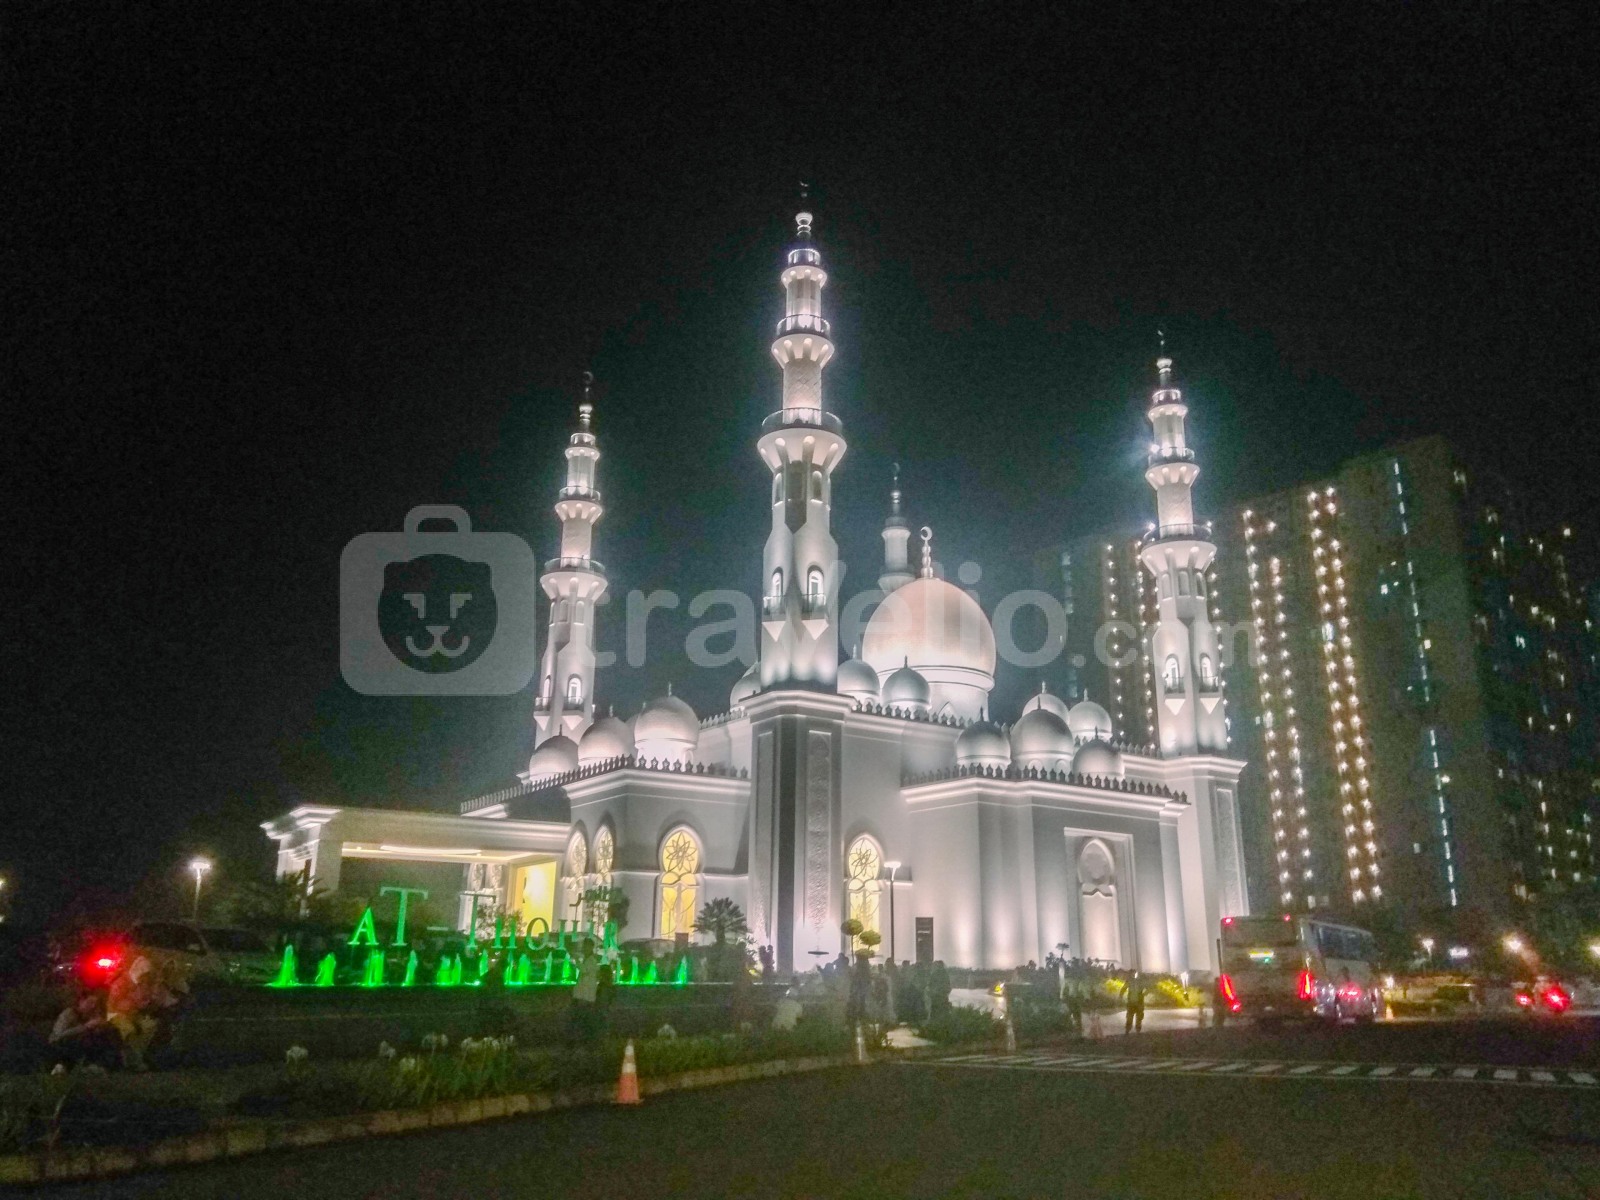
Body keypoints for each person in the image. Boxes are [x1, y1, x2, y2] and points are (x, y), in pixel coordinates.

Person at [106, 955, 176, 1070]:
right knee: (130, 1030)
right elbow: (116, 1004)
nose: (146, 978)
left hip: (134, 1015)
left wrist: (147, 1004)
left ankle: (135, 1057)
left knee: (150, 1026)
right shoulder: (122, 983)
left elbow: (149, 1003)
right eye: (144, 975)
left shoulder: (145, 986)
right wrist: (135, 1005)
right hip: (116, 1014)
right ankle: (132, 1061)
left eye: (148, 975)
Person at [49, 990, 120, 1071]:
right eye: (90, 1002)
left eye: (95, 1004)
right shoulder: (68, 1014)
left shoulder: (90, 1015)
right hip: (61, 1045)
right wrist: (85, 1027)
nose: (93, 1006)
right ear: (81, 1001)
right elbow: (59, 1035)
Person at [569, 940, 600, 1042]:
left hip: (586, 997)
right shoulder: (588, 960)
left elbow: (584, 970)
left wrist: (576, 960)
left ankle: (584, 1040)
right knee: (582, 1020)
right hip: (583, 996)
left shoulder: (591, 961)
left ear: (590, 947)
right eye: (584, 946)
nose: (583, 949)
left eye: (585, 946)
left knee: (583, 1020)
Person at [845, 952, 872, 1032]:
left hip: (860, 989)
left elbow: (856, 978)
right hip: (861, 988)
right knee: (861, 1003)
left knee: (860, 1003)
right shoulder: (863, 966)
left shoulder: (859, 966)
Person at [1124, 970, 1147, 1034]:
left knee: (1138, 1017)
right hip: (1132, 1002)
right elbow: (1124, 988)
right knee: (1130, 1016)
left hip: (1138, 1002)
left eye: (1134, 973)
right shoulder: (1129, 981)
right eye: (1132, 974)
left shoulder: (1140, 981)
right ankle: (1128, 1029)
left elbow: (1147, 988)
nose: (1133, 975)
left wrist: (1143, 994)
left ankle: (1137, 1029)